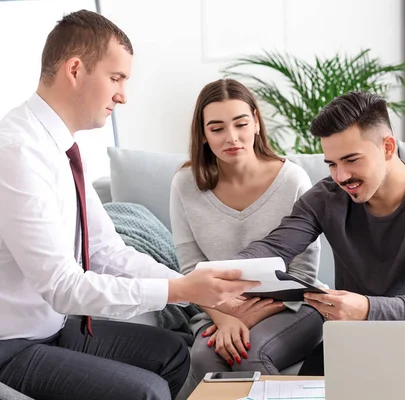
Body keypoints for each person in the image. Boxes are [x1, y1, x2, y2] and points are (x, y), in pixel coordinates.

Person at [0, 10, 257, 400]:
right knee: (146, 391)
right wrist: (176, 290)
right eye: (116, 78)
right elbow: (62, 287)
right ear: (75, 69)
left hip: (52, 328)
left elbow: (107, 251)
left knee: (172, 353)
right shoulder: (17, 152)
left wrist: (191, 290)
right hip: (11, 344)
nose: (123, 95)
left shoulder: (60, 147)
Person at [232, 90, 405, 375]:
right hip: (354, 332)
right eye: (332, 164)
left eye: (351, 160)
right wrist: (226, 272)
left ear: (387, 148)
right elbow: (274, 247)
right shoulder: (325, 198)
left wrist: (367, 309)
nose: (341, 176)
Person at [170, 79, 323, 396]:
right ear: (202, 134)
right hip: (218, 309)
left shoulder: (292, 179)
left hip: (294, 307)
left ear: (255, 122)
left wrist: (249, 313)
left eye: (240, 123)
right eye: (217, 128)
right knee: (203, 357)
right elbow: (190, 271)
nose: (232, 137)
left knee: (251, 354)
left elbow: (304, 274)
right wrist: (225, 317)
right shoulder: (184, 184)